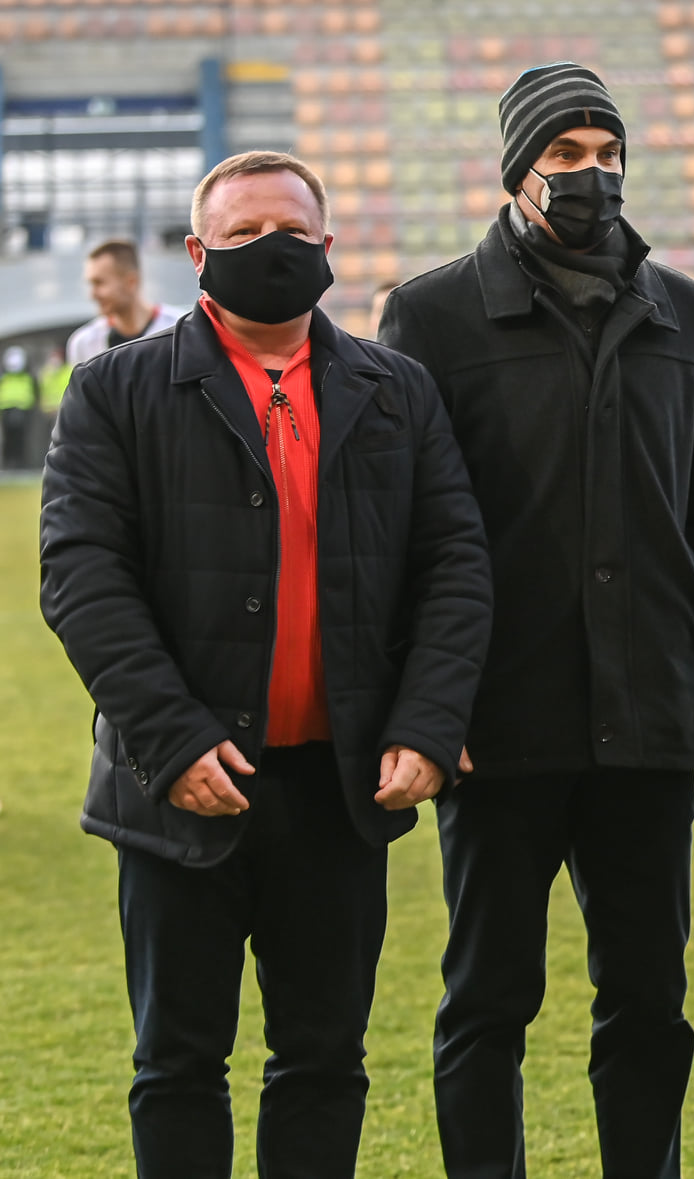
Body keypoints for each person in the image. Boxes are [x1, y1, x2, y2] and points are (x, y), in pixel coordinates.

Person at [38, 150, 493, 1179]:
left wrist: (428, 722)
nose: (268, 247)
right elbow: (81, 576)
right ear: (197, 253)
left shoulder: (396, 389)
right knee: (176, 1063)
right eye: (242, 232)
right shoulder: (116, 388)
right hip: (177, 789)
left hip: (338, 787)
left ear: (326, 247)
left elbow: (455, 565)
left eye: (289, 230)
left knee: (324, 1062)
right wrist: (173, 740)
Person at [377, 62, 694, 1179]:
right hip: (499, 718)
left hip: (647, 713)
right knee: (489, 997)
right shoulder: (431, 313)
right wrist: (430, 707)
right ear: (517, 171)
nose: (594, 173)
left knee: (649, 995)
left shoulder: (680, 307)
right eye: (567, 154)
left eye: (608, 152)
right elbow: (400, 531)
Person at [65, 239, 184, 365]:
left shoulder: (181, 331)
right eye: (91, 284)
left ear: (131, 282)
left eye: (99, 283)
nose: (92, 295)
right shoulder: (84, 343)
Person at [0, 346, 37, 469]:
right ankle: (9, 462)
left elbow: (35, 393)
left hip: (23, 409)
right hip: (7, 409)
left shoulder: (27, 377)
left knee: (20, 438)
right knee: (9, 437)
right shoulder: (4, 377)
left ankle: (20, 462)